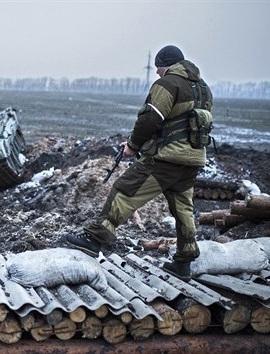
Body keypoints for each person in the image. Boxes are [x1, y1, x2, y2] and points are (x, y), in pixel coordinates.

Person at [63, 44, 213, 281]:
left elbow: (150, 119)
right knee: (183, 208)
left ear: (167, 65)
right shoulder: (203, 89)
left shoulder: (167, 84)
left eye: (158, 67)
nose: (155, 72)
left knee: (125, 190)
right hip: (193, 159)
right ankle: (184, 260)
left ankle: (94, 239)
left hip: (167, 159)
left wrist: (132, 146)